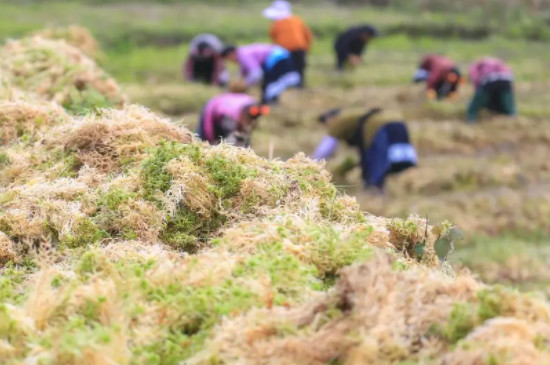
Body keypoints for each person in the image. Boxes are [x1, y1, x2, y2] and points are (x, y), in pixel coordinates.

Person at [312, 108, 417, 191]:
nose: (327, 126)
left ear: (330, 117)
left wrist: (310, 165)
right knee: (397, 160)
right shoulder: (352, 116)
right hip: (399, 123)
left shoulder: (339, 121)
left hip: (379, 128)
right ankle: (405, 187)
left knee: (375, 163)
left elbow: (325, 148)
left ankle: (374, 193)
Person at [221, 44, 301, 104]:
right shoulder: (242, 54)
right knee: (269, 82)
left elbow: (256, 73)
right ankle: (269, 101)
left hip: (277, 58)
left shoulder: (243, 54)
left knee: (271, 81)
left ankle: (270, 101)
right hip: (278, 55)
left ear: (231, 54)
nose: (230, 61)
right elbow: (243, 73)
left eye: (228, 58)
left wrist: (246, 84)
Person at [196, 82, 270, 147]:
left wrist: (208, 137)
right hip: (231, 121)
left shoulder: (218, 99)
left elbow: (207, 120)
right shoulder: (250, 100)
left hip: (222, 121)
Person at [263, 0, 314, 87]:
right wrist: (307, 46)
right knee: (300, 67)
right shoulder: (297, 20)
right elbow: (308, 34)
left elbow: (273, 37)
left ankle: (288, 84)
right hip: (300, 47)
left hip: (285, 49)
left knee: (287, 67)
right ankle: (300, 85)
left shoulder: (276, 24)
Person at [467, 57, 516, 123]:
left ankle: (471, 122)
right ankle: (513, 120)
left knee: (474, 106)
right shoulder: (497, 62)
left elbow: (476, 80)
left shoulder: (476, 66)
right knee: (508, 105)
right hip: (506, 81)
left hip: (489, 81)